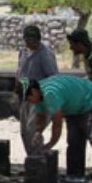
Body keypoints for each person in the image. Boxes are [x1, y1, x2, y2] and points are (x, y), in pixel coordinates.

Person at [23, 75, 92, 179]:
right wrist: (38, 132)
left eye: (29, 99)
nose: (30, 102)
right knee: (74, 141)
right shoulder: (38, 96)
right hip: (73, 106)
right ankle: (75, 175)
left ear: (34, 91)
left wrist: (49, 144)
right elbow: (41, 117)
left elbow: (57, 124)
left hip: (89, 98)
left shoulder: (49, 93)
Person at [16, 25, 59, 154]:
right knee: (24, 131)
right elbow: (20, 72)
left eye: (34, 41)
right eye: (29, 41)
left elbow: (53, 78)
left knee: (32, 130)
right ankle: (32, 159)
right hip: (26, 96)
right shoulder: (23, 52)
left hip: (40, 98)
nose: (31, 43)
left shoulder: (45, 54)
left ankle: (38, 160)